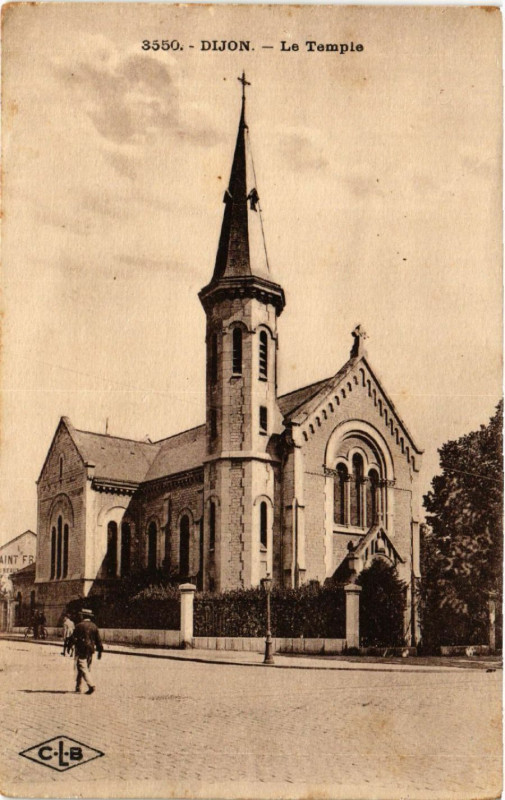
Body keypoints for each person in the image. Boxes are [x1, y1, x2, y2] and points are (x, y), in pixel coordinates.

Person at [69, 609, 103, 695]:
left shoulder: (79, 625)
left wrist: (69, 647)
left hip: (81, 649)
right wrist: (100, 651)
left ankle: (91, 685)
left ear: (83, 616)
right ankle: (78, 686)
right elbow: (98, 640)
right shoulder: (94, 626)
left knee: (82, 667)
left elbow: (72, 638)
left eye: (81, 615)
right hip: (90, 650)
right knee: (84, 667)